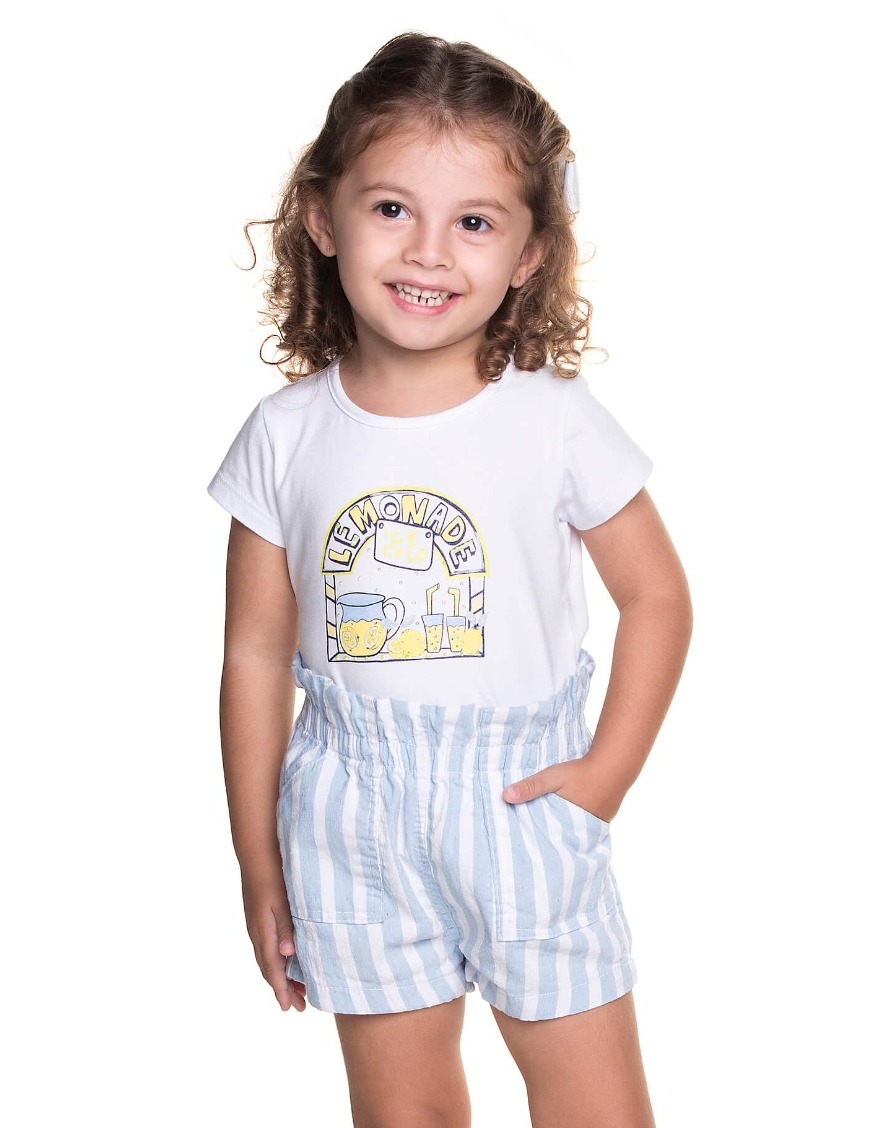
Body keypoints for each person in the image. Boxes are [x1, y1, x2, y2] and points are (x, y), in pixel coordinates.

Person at [207, 31, 692, 1128]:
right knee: (402, 1112)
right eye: (392, 208)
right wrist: (258, 859)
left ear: (528, 253)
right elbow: (253, 655)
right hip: (349, 818)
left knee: (595, 1110)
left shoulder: (552, 417)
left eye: (474, 221)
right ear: (321, 215)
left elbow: (657, 597)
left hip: (522, 802)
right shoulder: (284, 435)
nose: (428, 252)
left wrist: (604, 776)